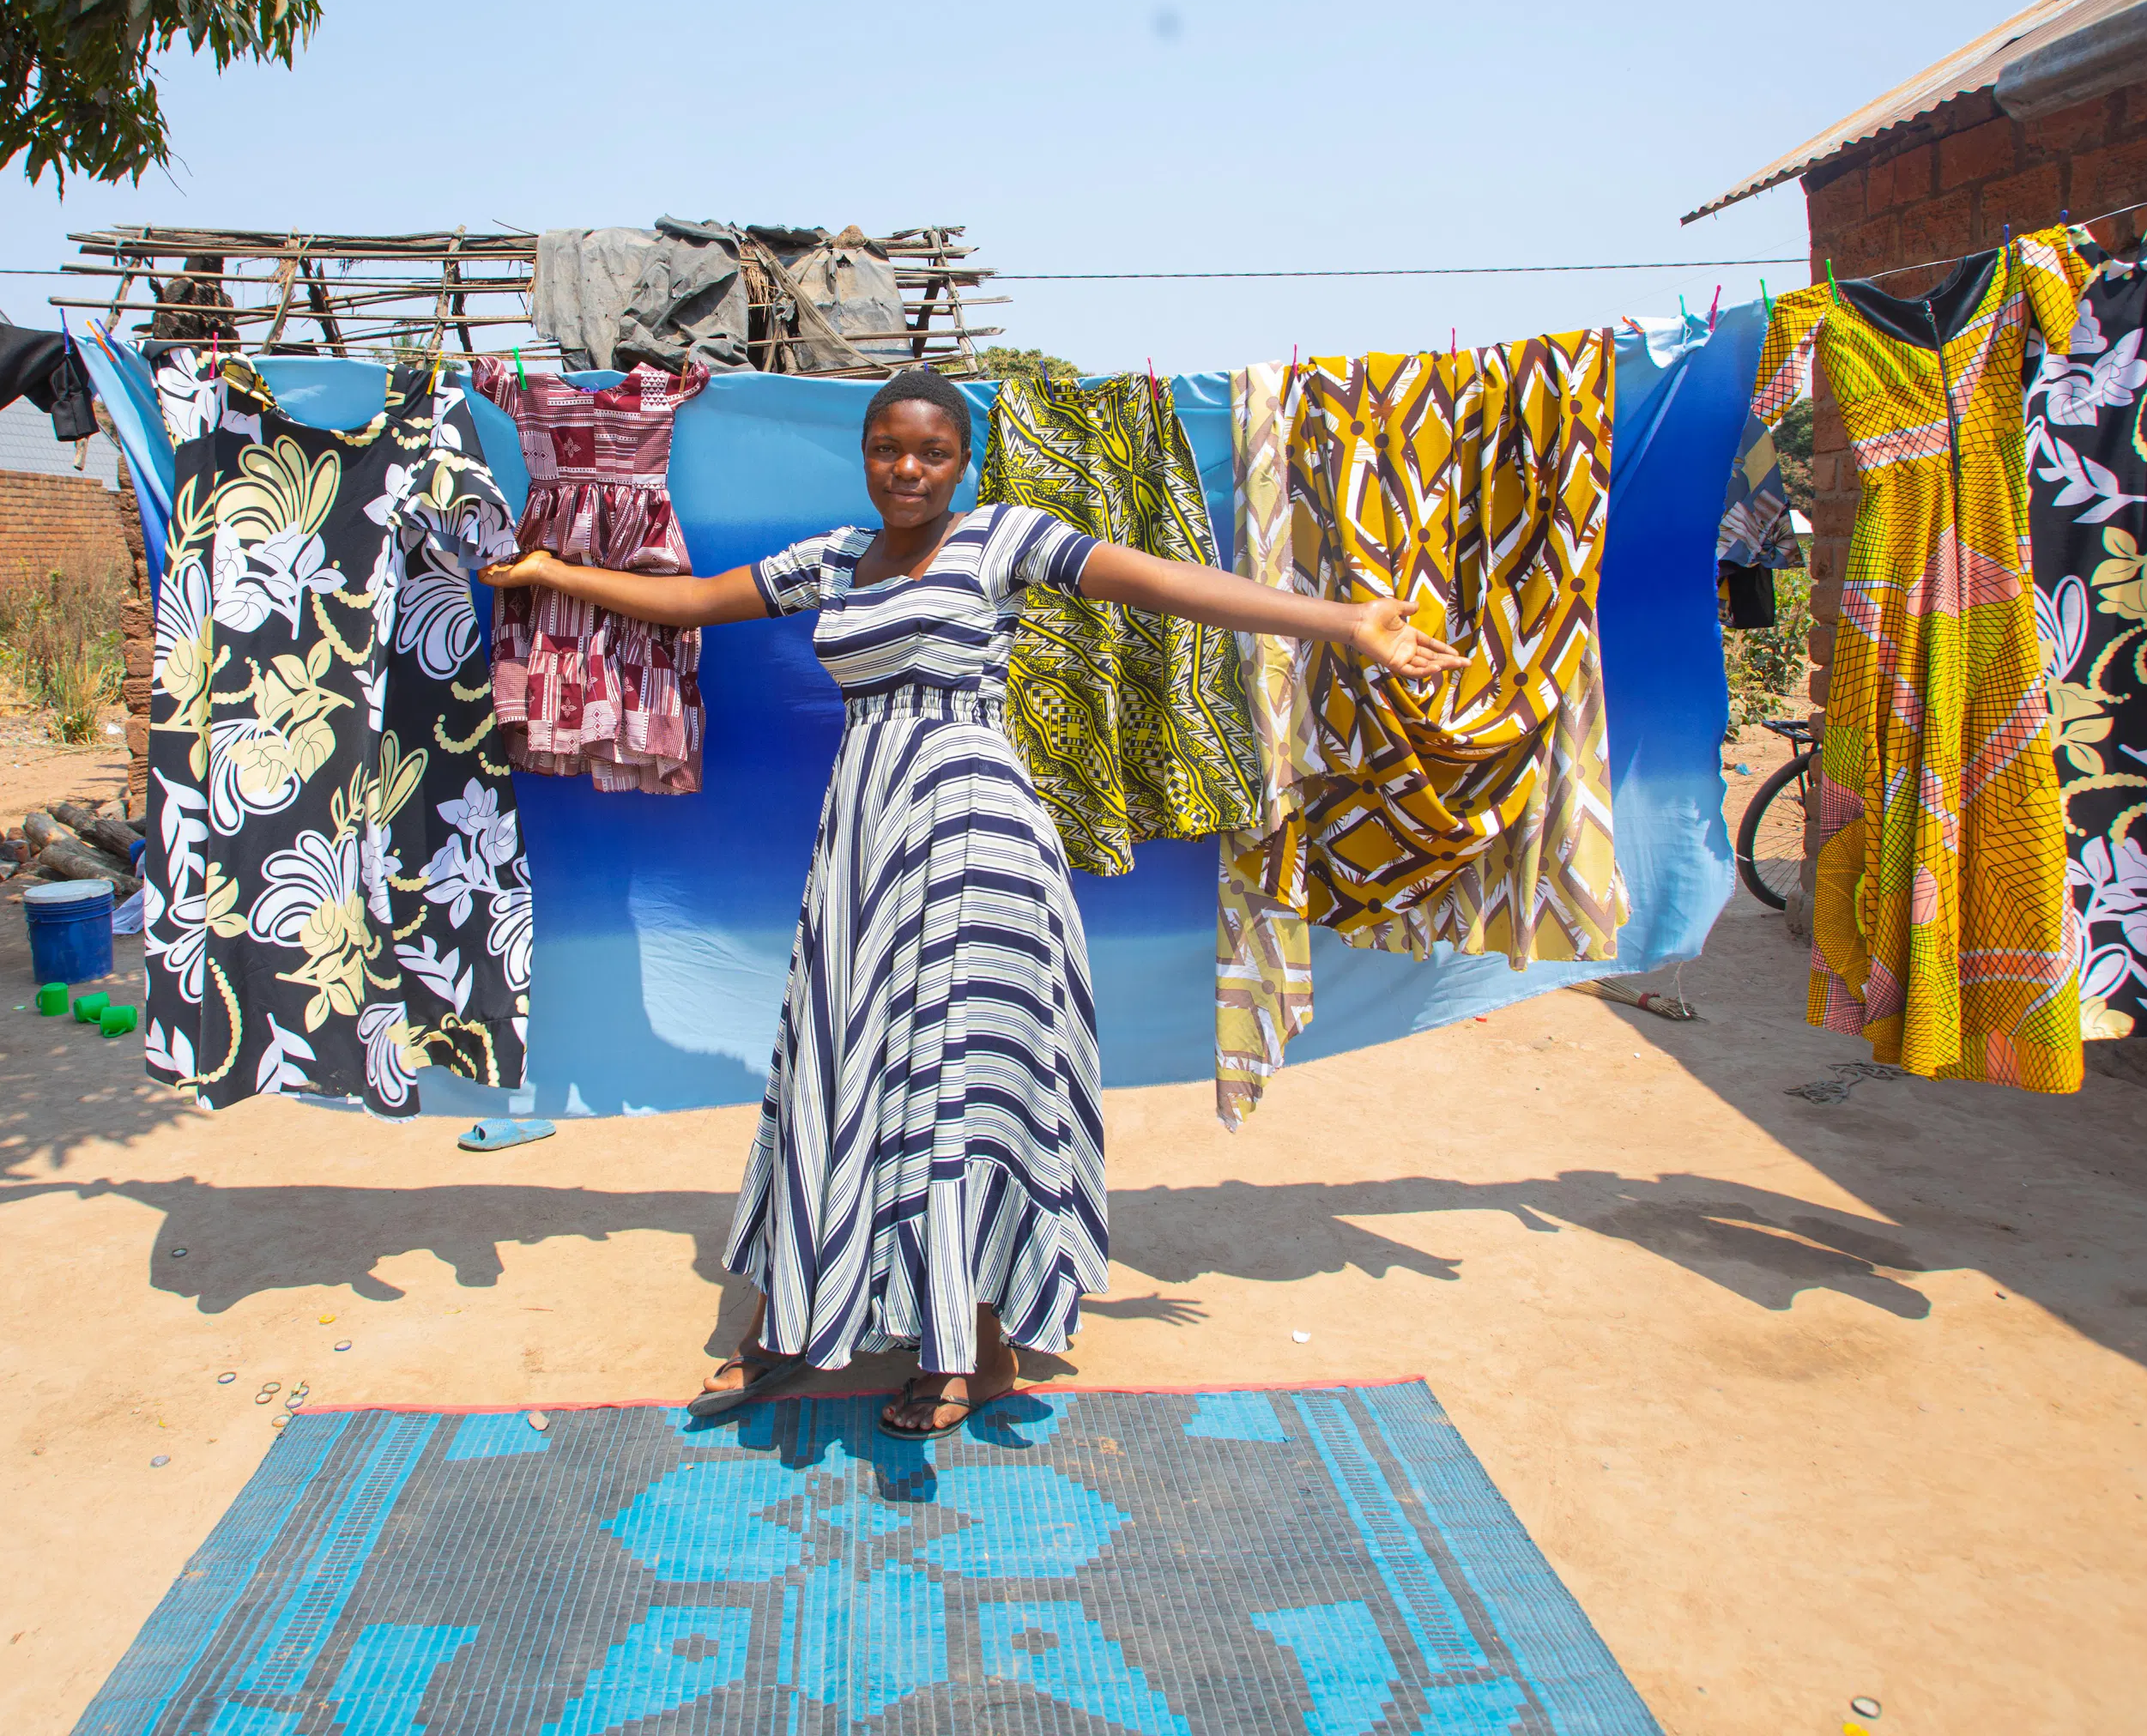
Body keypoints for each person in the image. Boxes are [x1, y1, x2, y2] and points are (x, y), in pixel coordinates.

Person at [483, 368, 1454, 1438]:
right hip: (863, 837)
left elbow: (1168, 583)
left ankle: (974, 1344)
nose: (908, 470)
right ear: (864, 455)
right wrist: (551, 571)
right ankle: (792, 1320)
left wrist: (1342, 622)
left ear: (963, 460)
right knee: (838, 1056)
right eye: (889, 450)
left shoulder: (1005, 541)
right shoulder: (836, 560)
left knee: (962, 1072)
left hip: (977, 832)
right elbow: (691, 600)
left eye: (932, 453)